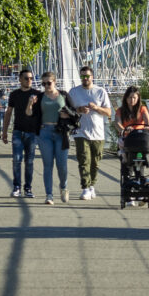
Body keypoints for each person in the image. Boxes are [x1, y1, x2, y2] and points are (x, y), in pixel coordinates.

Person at [68, 66, 112, 200]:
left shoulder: (100, 91)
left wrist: (97, 108)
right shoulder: (74, 92)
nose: (85, 79)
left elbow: (109, 112)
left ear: (92, 77)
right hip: (81, 131)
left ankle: (92, 185)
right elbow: (68, 110)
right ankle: (85, 188)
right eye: (82, 76)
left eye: (87, 76)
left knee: (95, 162)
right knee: (83, 160)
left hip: (98, 132)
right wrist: (79, 109)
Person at [36, 71, 75, 205]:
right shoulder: (40, 97)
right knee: (48, 165)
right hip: (44, 132)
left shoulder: (63, 95)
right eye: (44, 83)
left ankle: (63, 187)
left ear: (55, 82)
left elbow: (74, 112)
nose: (46, 85)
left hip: (61, 132)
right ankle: (49, 195)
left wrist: (67, 116)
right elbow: (32, 114)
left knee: (62, 165)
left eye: (49, 82)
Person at [1, 68, 41, 199]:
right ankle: (16, 187)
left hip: (32, 132)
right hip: (18, 131)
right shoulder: (14, 94)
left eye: (30, 78)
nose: (29, 80)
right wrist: (4, 131)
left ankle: (28, 188)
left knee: (29, 161)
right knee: (16, 160)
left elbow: (42, 113)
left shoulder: (37, 94)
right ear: (20, 79)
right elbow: (8, 113)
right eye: (26, 78)